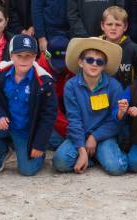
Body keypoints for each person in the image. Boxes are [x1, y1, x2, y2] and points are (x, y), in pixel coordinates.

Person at [0, 35, 58, 176]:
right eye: (19, 55)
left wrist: (39, 145)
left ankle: (37, 152)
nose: (24, 59)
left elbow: (48, 116)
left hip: (26, 130)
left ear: (35, 57)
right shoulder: (0, 74)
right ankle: (2, 151)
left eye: (29, 55)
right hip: (6, 124)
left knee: (27, 170)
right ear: (11, 56)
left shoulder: (44, 82)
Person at [53, 37, 128, 175]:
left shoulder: (114, 86)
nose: (94, 64)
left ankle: (101, 153)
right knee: (60, 163)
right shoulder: (71, 86)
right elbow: (74, 119)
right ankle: (90, 156)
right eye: (89, 60)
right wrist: (81, 149)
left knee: (117, 168)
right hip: (79, 135)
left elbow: (116, 121)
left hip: (104, 136)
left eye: (99, 62)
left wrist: (94, 137)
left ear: (104, 65)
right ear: (81, 62)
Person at [100, 6, 137, 89]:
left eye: (118, 25)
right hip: (100, 96)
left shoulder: (133, 49)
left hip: (125, 96)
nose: (113, 28)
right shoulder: (95, 45)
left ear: (125, 27)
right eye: (109, 24)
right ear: (102, 25)